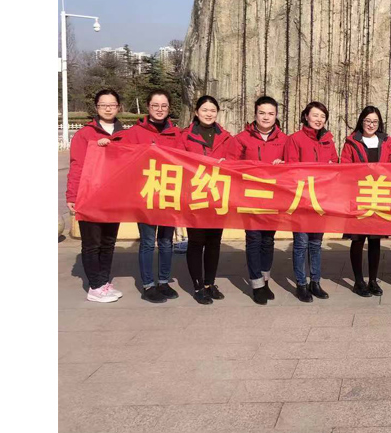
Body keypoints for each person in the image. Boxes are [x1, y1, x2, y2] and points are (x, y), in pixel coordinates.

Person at [116, 89, 182, 303]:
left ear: (169, 108)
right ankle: (148, 285)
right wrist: (104, 144)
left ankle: (163, 282)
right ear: (148, 106)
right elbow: (117, 149)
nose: (159, 109)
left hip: (169, 193)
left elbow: (188, 157)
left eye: (164, 106)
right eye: (155, 105)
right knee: (147, 241)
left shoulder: (176, 133)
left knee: (166, 241)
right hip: (145, 194)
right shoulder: (135, 132)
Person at [67, 89, 126, 303]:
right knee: (92, 242)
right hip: (90, 195)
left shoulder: (125, 134)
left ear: (118, 107)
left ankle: (103, 281)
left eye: (112, 105)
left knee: (108, 241)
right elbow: (77, 166)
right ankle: (95, 286)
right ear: (96, 107)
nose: (108, 108)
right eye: (103, 105)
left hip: (114, 197)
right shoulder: (85, 134)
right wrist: (72, 195)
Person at [176, 95, 234, 305]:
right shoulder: (185, 136)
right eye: (204, 110)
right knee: (196, 242)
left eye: (212, 110)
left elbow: (235, 161)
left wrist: (226, 163)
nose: (209, 114)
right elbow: (177, 162)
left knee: (214, 242)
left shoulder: (226, 137)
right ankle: (198, 286)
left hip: (218, 196)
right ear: (196, 112)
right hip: (195, 196)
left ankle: (210, 283)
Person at [230, 96, 288, 305]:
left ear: (276, 116)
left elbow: (292, 166)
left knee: (268, 240)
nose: (266, 117)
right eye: (262, 113)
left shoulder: (284, 139)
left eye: (271, 113)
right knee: (254, 239)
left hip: (273, 198)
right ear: (255, 114)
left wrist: (284, 163)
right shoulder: (242, 138)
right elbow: (231, 166)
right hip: (250, 198)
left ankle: (265, 280)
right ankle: (256, 284)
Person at [284, 101, 338, 303]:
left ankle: (315, 282)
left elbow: (335, 164)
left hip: (320, 200)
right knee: (301, 244)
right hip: (301, 200)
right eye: (315, 115)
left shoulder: (328, 140)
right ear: (306, 116)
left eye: (322, 116)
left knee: (316, 243)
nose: (319, 119)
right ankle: (301, 284)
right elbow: (290, 168)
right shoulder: (295, 139)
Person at [341, 106, 391, 297]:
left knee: (374, 241)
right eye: (367, 121)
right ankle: (358, 281)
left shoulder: (387, 142)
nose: (371, 125)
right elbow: (344, 168)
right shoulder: (352, 142)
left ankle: (373, 280)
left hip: (379, 196)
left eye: (375, 121)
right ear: (361, 121)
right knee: (358, 240)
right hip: (358, 197)